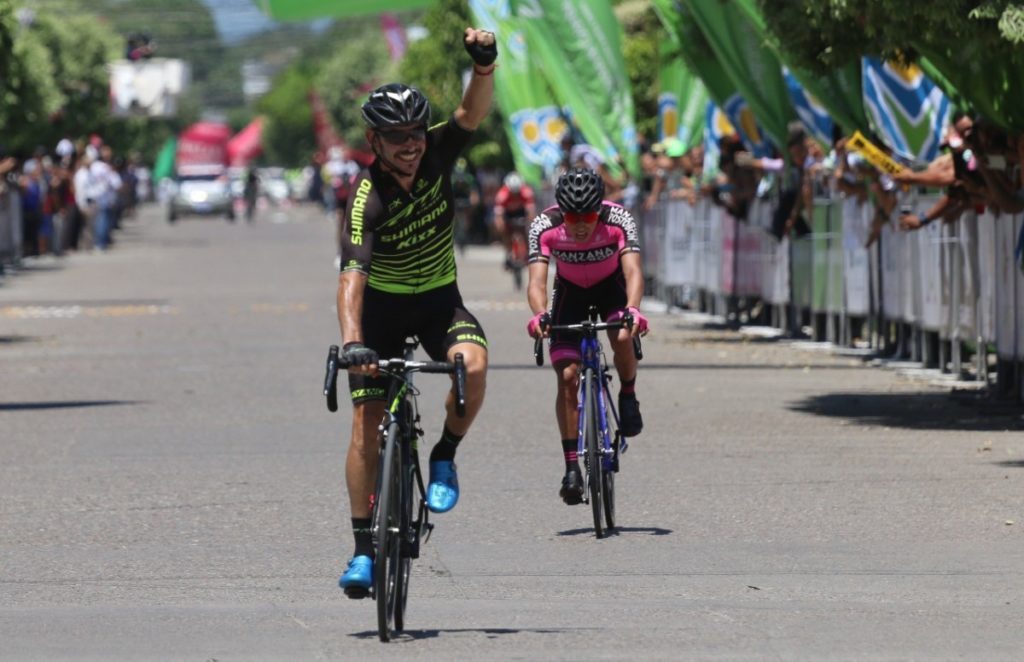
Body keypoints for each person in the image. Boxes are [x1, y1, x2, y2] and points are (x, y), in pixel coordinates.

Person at [335, 26, 497, 595]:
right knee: (365, 422)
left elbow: (469, 116)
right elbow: (352, 276)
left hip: (436, 303)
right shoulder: (367, 198)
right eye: (396, 137)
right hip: (378, 315)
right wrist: (354, 341)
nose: (411, 145)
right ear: (374, 141)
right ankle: (361, 550)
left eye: (416, 134)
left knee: (473, 367)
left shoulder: (437, 153)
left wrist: (483, 67)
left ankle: (445, 454)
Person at [524, 167, 649, 505]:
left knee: (622, 337)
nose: (580, 223)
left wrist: (634, 309)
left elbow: (634, 270)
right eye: (572, 216)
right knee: (567, 376)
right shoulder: (544, 225)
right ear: (560, 211)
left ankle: (627, 394)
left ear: (601, 207)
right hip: (570, 293)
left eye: (589, 215)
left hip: (611, 289)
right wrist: (539, 316)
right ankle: (570, 468)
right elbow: (537, 282)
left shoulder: (619, 218)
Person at [492, 171, 535, 269]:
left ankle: (528, 254)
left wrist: (530, 224)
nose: (515, 195)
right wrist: (501, 226)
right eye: (513, 192)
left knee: (526, 231)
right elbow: (499, 215)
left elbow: (531, 213)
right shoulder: (502, 195)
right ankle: (508, 253)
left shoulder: (527, 192)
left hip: (521, 212)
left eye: (517, 192)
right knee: (505, 232)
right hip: (508, 213)